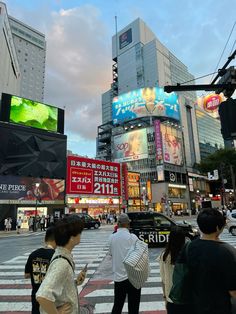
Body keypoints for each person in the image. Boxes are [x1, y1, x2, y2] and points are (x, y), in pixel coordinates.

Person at [187, 208, 236, 314]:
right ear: (218, 227)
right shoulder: (227, 252)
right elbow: (233, 290)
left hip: (196, 305)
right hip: (220, 307)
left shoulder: (191, 246)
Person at [36, 215, 86, 314]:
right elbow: (43, 296)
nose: (81, 234)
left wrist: (74, 282)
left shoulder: (62, 255)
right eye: (79, 232)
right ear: (71, 238)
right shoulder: (62, 264)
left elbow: (60, 287)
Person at [108, 213, 141, 314]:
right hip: (133, 277)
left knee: (117, 305)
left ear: (118, 224)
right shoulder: (133, 238)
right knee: (134, 307)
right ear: (127, 224)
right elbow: (140, 255)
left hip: (119, 278)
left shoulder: (112, 238)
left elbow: (111, 254)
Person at [24, 226, 56, 314]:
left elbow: (26, 275)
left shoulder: (33, 254)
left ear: (45, 239)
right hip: (50, 297)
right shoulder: (55, 256)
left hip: (36, 295)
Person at [158, 226, 189, 314]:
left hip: (171, 297)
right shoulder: (188, 254)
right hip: (187, 297)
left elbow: (163, 279)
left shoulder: (165, 256)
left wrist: (165, 297)